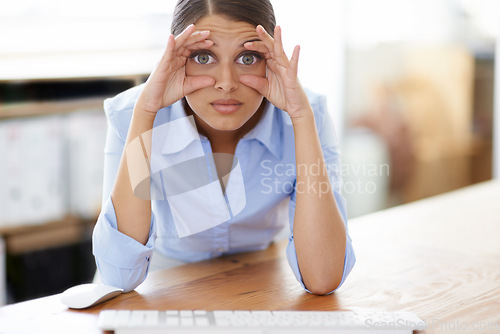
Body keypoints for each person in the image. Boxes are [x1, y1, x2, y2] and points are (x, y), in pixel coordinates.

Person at [92, 0, 355, 295]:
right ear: (177, 58)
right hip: (162, 286)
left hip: (255, 282)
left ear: (271, 59)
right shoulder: (130, 114)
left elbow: (323, 278)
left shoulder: (308, 113)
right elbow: (118, 276)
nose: (227, 83)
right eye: (204, 57)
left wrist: (302, 118)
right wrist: (146, 112)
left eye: (247, 57)